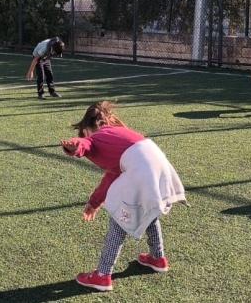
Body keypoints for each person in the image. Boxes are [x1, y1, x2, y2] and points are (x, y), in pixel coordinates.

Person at [63, 101, 186, 293]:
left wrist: (74, 147)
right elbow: (111, 176)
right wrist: (94, 203)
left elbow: (84, 144)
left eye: (83, 132)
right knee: (149, 211)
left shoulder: (97, 136)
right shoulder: (118, 134)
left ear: (88, 128)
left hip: (141, 169)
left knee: (118, 223)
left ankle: (102, 276)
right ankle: (158, 258)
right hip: (160, 167)